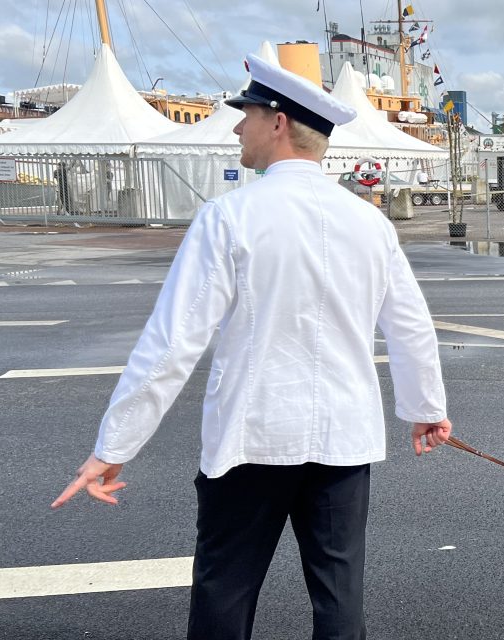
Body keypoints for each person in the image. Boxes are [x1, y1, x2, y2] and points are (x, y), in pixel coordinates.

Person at [50, 53, 453, 640]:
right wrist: (425, 410)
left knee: (226, 589)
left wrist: (114, 446)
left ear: (278, 122)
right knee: (340, 598)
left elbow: (171, 343)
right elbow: (411, 325)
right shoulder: (369, 223)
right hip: (343, 439)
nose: (238, 126)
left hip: (252, 436)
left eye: (247, 113)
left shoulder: (229, 217)